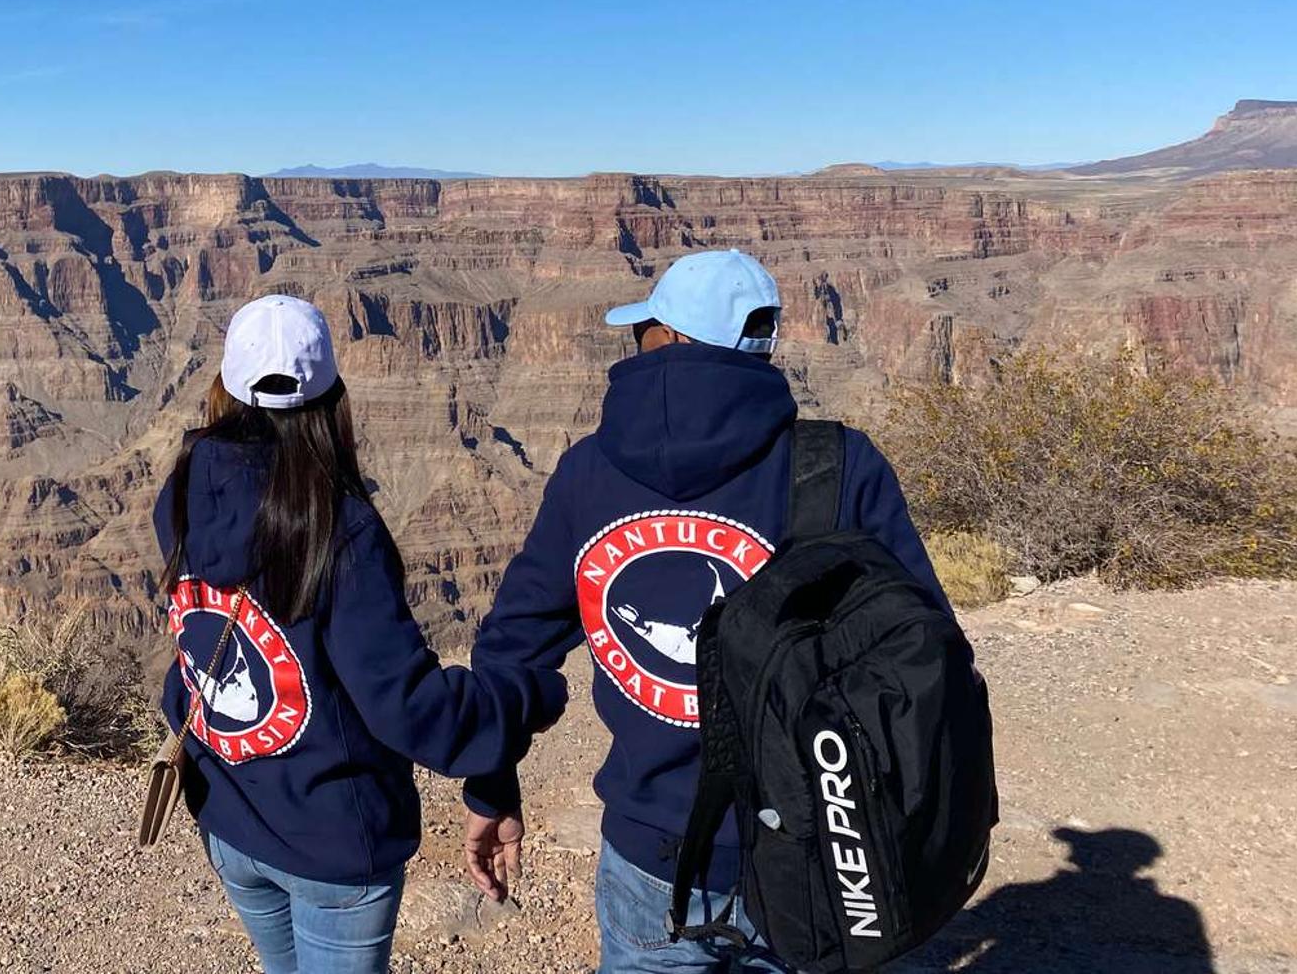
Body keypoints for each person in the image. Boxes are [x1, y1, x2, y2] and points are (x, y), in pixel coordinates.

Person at [458, 249, 953, 973]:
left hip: (649, 848)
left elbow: (512, 647)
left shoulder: (588, 473)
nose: (639, 341)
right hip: (816, 850)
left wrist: (491, 782)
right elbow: (924, 656)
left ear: (674, 341)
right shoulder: (839, 466)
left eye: (648, 328)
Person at [155, 294, 565, 974]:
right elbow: (408, 707)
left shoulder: (184, 485)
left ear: (222, 387)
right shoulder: (338, 529)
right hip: (331, 844)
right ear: (332, 399)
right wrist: (520, 698)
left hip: (229, 809)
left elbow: (193, 627)